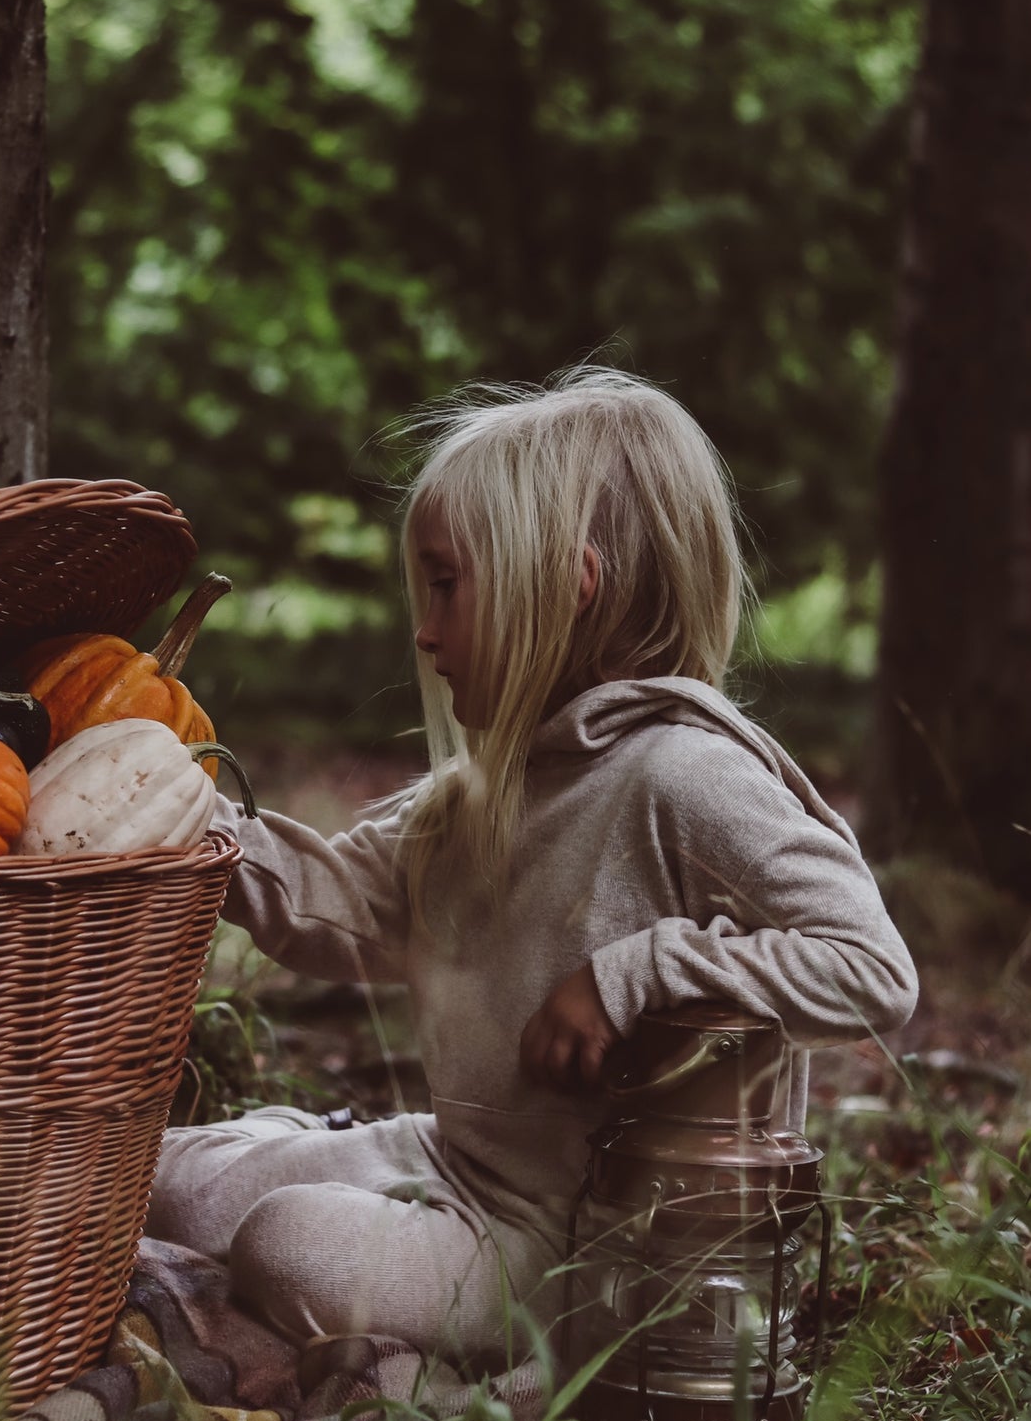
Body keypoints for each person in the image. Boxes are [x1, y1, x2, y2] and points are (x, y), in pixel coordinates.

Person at [146, 364, 917, 1369]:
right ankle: (318, 1150)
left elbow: (871, 974)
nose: (421, 630)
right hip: (456, 1159)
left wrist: (630, 974)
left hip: (581, 1251)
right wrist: (175, 809)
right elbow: (334, 908)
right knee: (164, 1181)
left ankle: (528, 1338)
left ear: (567, 585)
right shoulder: (495, 784)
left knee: (286, 1241)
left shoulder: (680, 775)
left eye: (445, 585)